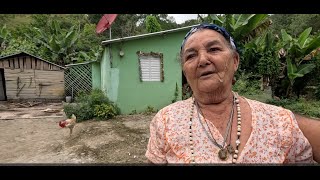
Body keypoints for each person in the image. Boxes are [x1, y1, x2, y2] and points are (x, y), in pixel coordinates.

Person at [145, 23, 316, 164]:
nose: (203, 60)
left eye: (213, 49)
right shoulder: (165, 121)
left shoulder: (280, 121)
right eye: (191, 56)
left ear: (235, 61)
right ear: (185, 70)